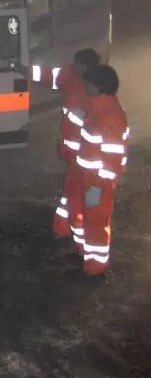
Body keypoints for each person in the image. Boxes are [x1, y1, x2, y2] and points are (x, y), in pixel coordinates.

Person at [33, 49, 101, 243]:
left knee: (80, 197)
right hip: (75, 156)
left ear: (86, 67)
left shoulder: (97, 94)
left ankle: (77, 237)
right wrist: (22, 68)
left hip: (86, 160)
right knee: (71, 193)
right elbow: (49, 75)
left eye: (76, 65)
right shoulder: (73, 78)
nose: (72, 67)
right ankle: (63, 229)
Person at [71, 64, 129, 277]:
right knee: (84, 218)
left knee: (96, 224)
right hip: (86, 176)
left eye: (88, 83)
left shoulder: (111, 117)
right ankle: (86, 255)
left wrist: (97, 187)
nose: (84, 86)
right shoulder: (97, 107)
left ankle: (95, 268)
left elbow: (112, 161)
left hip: (98, 182)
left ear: (98, 86)